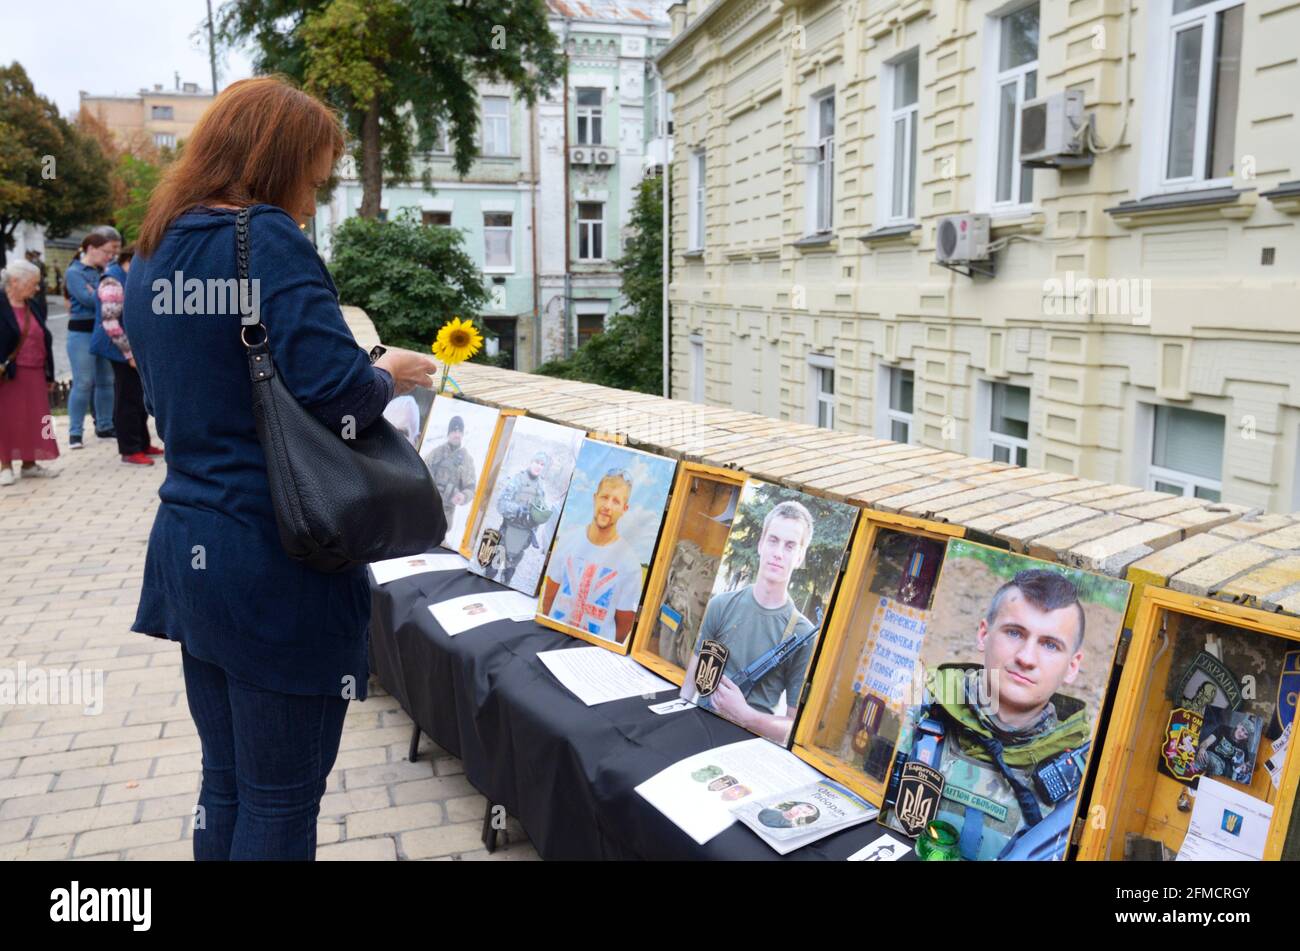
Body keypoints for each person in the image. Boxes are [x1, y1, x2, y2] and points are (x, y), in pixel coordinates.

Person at [123, 76, 439, 861]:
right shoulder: (262, 238)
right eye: (314, 178)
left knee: (224, 786)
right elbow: (336, 394)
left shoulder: (156, 246)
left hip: (191, 546)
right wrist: (388, 371)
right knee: (280, 804)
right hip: (275, 563)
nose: (312, 200)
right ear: (277, 161)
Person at [887, 569, 1092, 861]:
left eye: (1049, 645)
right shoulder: (912, 711)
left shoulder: (1083, 785)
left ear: (1073, 665)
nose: (1026, 657)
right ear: (984, 634)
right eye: (1014, 632)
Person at [682, 500, 818, 745]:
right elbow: (689, 687)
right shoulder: (720, 606)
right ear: (760, 544)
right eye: (773, 540)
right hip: (698, 729)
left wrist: (747, 716)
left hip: (748, 749)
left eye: (790, 546)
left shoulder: (802, 633)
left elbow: (793, 730)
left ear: (800, 557)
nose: (778, 553)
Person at [541, 468, 642, 644]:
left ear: (624, 509)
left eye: (616, 501)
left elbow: (623, 627)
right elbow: (549, 597)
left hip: (594, 652)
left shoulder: (630, 564)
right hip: (553, 638)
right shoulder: (567, 540)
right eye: (604, 497)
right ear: (595, 498)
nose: (607, 506)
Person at [92, 244, 159, 466]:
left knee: (138, 396)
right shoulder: (113, 281)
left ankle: (142, 443)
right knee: (127, 398)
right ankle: (130, 449)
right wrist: (129, 353)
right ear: (130, 260)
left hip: (127, 346)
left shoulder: (126, 277)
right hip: (118, 347)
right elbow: (110, 322)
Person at [0, 258, 60, 485]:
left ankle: (30, 463)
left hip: (35, 370)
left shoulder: (33, 304)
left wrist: (49, 374)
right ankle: (5, 465)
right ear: (15, 281)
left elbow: (44, 337)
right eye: (33, 283)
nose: (36, 288)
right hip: (9, 373)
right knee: (6, 419)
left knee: (36, 419)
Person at [64, 232, 117, 448]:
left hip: (102, 329)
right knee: (83, 382)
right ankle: (74, 432)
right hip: (81, 332)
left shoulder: (104, 271)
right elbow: (87, 299)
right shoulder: (74, 272)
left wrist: (97, 291)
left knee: (106, 381)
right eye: (106, 252)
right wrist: (104, 293)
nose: (109, 256)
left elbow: (105, 296)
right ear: (91, 248)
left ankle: (105, 425)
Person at [487, 450, 554, 586]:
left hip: (524, 536)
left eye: (542, 464)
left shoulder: (541, 487)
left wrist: (535, 520)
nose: (538, 466)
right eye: (536, 462)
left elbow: (540, 510)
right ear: (531, 462)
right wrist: (518, 510)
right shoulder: (517, 480)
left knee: (509, 573)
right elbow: (501, 504)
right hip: (508, 531)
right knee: (493, 568)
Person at [422, 414, 476, 531]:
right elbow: (421, 471)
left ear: (462, 434)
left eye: (459, 431)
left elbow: (471, 487)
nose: (457, 434)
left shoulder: (466, 460)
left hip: (445, 514)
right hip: (427, 507)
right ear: (448, 433)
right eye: (453, 431)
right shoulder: (436, 453)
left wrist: (463, 496)